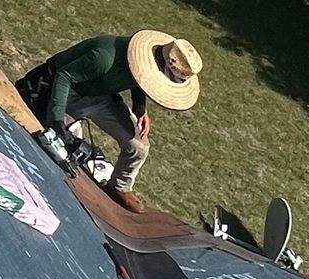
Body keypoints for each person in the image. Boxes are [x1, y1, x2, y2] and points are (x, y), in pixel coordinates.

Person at [18, 29, 202, 193]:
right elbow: (64, 77)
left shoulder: (142, 66)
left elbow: (141, 80)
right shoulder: (103, 58)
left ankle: (119, 189)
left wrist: (140, 108)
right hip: (60, 91)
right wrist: (56, 121)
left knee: (139, 147)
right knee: (58, 150)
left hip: (100, 96)